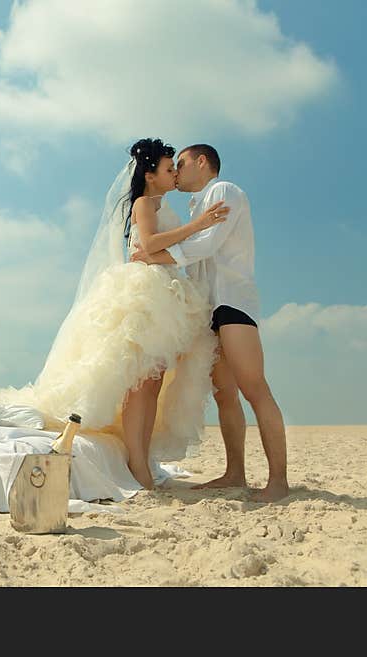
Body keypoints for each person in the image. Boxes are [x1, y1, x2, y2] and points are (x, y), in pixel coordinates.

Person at [0, 138, 227, 490]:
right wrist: (199, 225)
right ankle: (137, 463)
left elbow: (160, 249)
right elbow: (148, 245)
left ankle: (142, 457)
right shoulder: (145, 203)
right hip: (145, 294)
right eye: (168, 169)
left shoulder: (161, 203)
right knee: (140, 383)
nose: (175, 174)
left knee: (153, 382)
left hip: (166, 292)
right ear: (150, 175)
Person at [130, 144, 289, 502]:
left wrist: (154, 255)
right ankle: (235, 473)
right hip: (210, 310)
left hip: (233, 303)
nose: (177, 172)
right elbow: (193, 259)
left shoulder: (224, 191)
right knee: (225, 395)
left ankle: (278, 481)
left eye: (181, 164)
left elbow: (206, 245)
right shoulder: (194, 206)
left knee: (254, 389)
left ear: (202, 163)